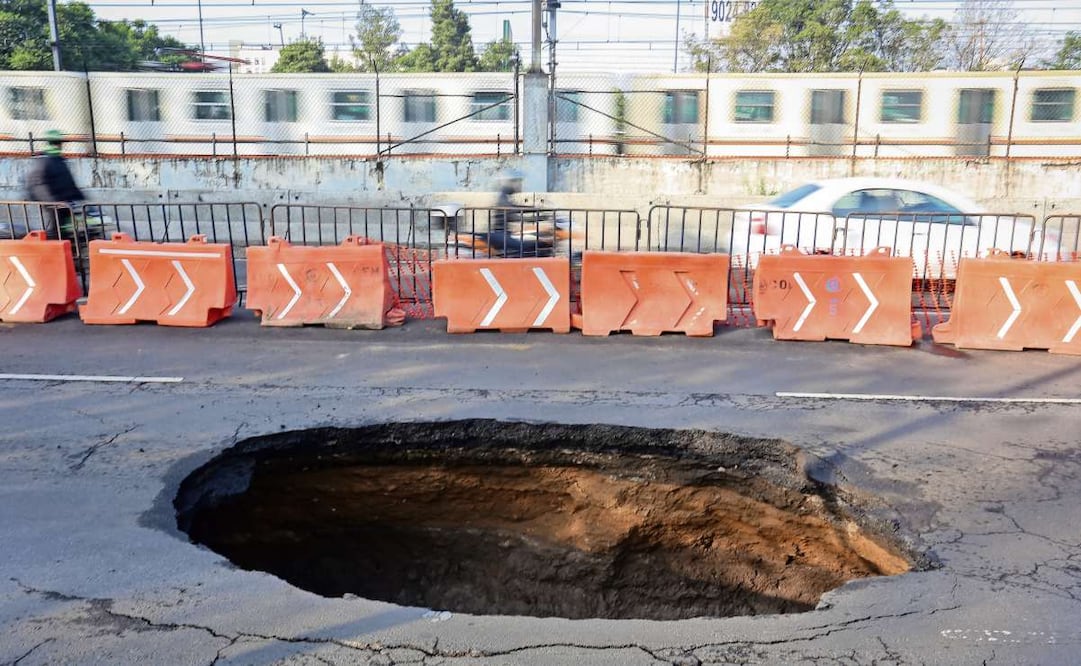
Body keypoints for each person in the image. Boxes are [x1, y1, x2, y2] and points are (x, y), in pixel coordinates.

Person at [24, 129, 85, 240]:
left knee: (73, 229)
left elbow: (69, 182)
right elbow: (38, 184)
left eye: (59, 142)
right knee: (56, 231)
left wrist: (80, 197)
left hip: (65, 202)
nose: (59, 145)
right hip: (54, 204)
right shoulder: (44, 160)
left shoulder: (59, 160)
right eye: (56, 142)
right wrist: (54, 201)